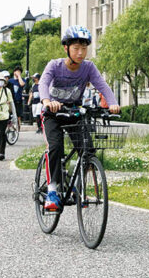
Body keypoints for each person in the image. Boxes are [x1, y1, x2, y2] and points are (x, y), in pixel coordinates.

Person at [39, 26, 121, 212]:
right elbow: (43, 83)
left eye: (84, 49)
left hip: (74, 113)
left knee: (87, 150)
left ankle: (76, 185)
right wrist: (47, 101)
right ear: (66, 48)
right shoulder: (55, 65)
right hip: (53, 114)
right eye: (76, 48)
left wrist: (113, 103)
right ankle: (52, 190)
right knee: (55, 147)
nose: (80, 53)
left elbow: (102, 85)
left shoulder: (88, 67)